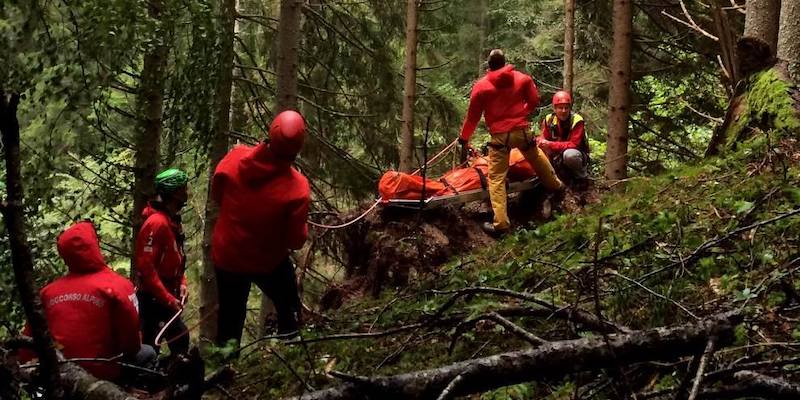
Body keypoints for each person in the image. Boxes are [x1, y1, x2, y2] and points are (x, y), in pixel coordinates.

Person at [211, 110, 309, 347]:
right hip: (268, 262)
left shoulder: (234, 159)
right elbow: (296, 240)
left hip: (228, 256)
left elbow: (217, 195)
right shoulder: (297, 188)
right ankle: (290, 348)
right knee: (289, 307)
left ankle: (223, 370)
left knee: (230, 320)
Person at [21, 221, 156, 383]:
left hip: (58, 372)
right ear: (95, 246)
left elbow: (27, 343)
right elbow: (131, 345)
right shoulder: (119, 286)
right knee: (148, 353)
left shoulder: (48, 292)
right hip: (104, 373)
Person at [458, 49, 564, 235]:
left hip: (500, 137)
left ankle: (501, 225)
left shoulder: (481, 87)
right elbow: (533, 101)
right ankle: (557, 187)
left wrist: (464, 138)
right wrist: (521, 113)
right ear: (505, 62)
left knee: (497, 179)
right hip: (521, 131)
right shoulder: (522, 79)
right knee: (536, 157)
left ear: (489, 65)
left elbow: (473, 117)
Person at [135, 168, 190, 355]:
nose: (187, 193)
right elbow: (146, 268)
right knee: (152, 345)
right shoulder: (156, 223)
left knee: (180, 337)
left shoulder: (172, 221)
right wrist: (166, 299)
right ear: (175, 193)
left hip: (167, 293)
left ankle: (172, 379)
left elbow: (177, 258)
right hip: (152, 298)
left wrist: (182, 283)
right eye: (184, 189)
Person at [536, 90, 590, 181]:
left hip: (576, 153)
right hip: (556, 153)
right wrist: (541, 142)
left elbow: (574, 144)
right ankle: (548, 177)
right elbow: (543, 137)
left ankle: (581, 177)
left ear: (570, 108)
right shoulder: (549, 119)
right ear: (555, 108)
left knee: (569, 155)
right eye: (560, 108)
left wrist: (550, 144)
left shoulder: (577, 120)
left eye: (566, 108)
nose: (564, 111)